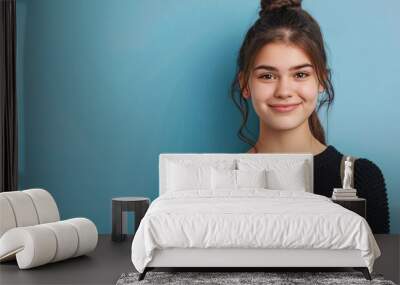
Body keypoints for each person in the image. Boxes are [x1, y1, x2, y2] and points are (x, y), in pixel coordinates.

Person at [230, 0, 390, 233]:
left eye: (301, 74)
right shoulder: (223, 179)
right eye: (267, 76)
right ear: (245, 84)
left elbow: (377, 268)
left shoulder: (361, 178)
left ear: (322, 81)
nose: (284, 91)